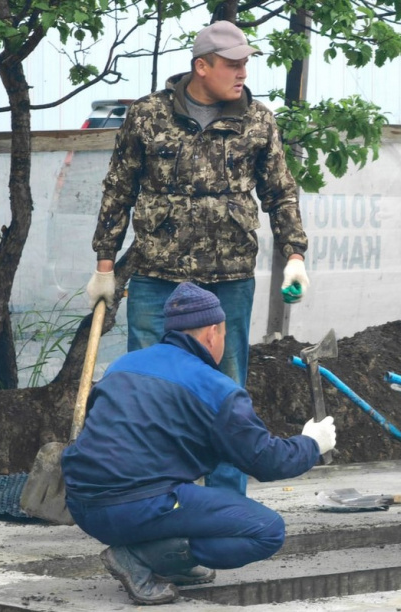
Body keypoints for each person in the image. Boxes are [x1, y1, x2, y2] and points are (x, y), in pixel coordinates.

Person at [84, 20, 310, 496]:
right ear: (201, 66)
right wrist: (105, 265)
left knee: (228, 388)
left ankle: (225, 500)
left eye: (245, 63)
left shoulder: (258, 121)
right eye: (231, 64)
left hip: (227, 278)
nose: (241, 72)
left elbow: (280, 193)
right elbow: (118, 189)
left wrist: (294, 254)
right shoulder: (148, 116)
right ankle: (148, 491)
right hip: (157, 278)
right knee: (146, 386)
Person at [62, 283, 336, 605]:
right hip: (136, 507)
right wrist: (311, 443)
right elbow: (267, 460)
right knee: (266, 530)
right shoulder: (217, 388)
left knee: (180, 494)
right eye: (224, 333)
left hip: (82, 504)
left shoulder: (123, 365)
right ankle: (141, 557)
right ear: (212, 333)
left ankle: (170, 560)